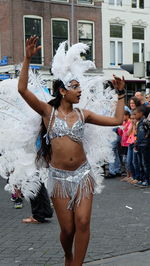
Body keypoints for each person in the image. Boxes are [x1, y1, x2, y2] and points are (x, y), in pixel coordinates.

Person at [18, 36, 125, 266]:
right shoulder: (48, 112)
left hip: (83, 176)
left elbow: (117, 119)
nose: (79, 91)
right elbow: (22, 89)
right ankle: (68, 255)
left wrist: (121, 95)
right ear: (62, 90)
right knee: (67, 230)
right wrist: (27, 58)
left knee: (83, 222)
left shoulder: (83, 114)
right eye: (75, 87)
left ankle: (77, 264)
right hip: (59, 179)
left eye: (79, 87)